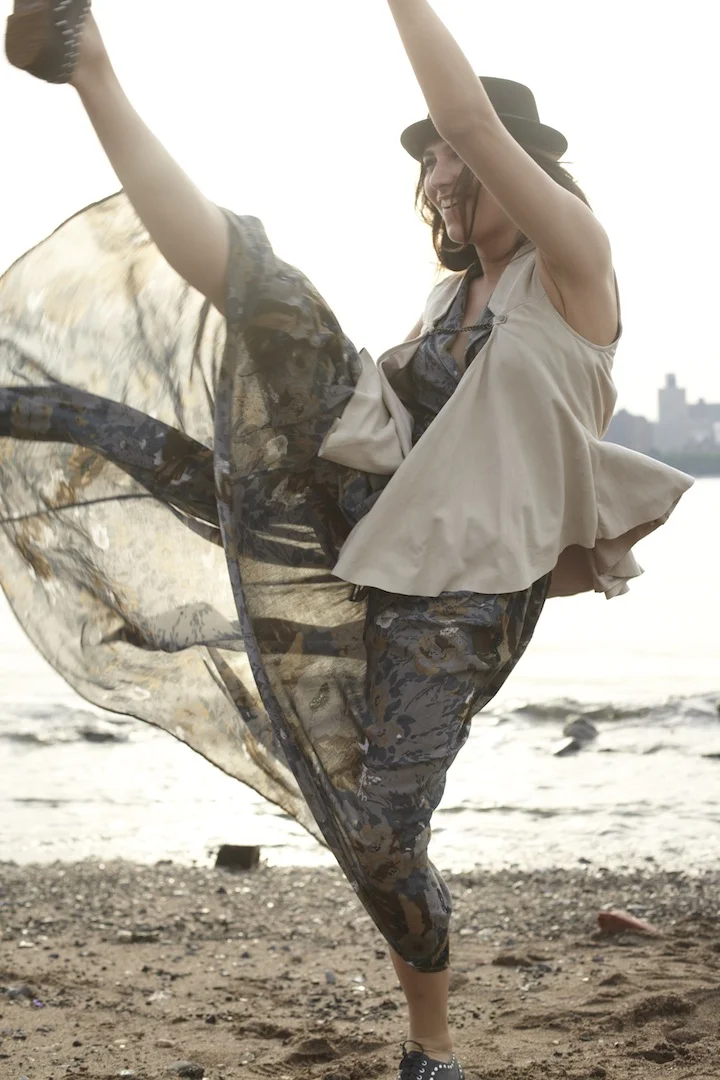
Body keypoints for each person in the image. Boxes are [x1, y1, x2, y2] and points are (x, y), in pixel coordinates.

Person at [0, 3, 693, 1078]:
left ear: (516, 165)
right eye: (433, 167)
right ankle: (90, 69)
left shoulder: (574, 270)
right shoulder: (446, 300)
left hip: (465, 599)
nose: (440, 179)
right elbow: (387, 420)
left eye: (452, 161)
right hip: (374, 517)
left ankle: (432, 1047)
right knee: (263, 299)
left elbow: (467, 115)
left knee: (380, 835)